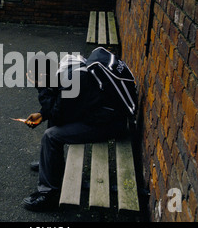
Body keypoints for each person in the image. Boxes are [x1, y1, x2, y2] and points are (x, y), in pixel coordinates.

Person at [21, 53, 125, 211]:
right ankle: (51, 164)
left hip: (108, 125)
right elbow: (61, 102)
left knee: (51, 136)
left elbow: (59, 113)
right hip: (103, 115)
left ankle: (48, 194)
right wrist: (43, 113)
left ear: (43, 75)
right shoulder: (68, 66)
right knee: (53, 122)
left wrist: (41, 88)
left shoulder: (72, 80)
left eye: (35, 79)